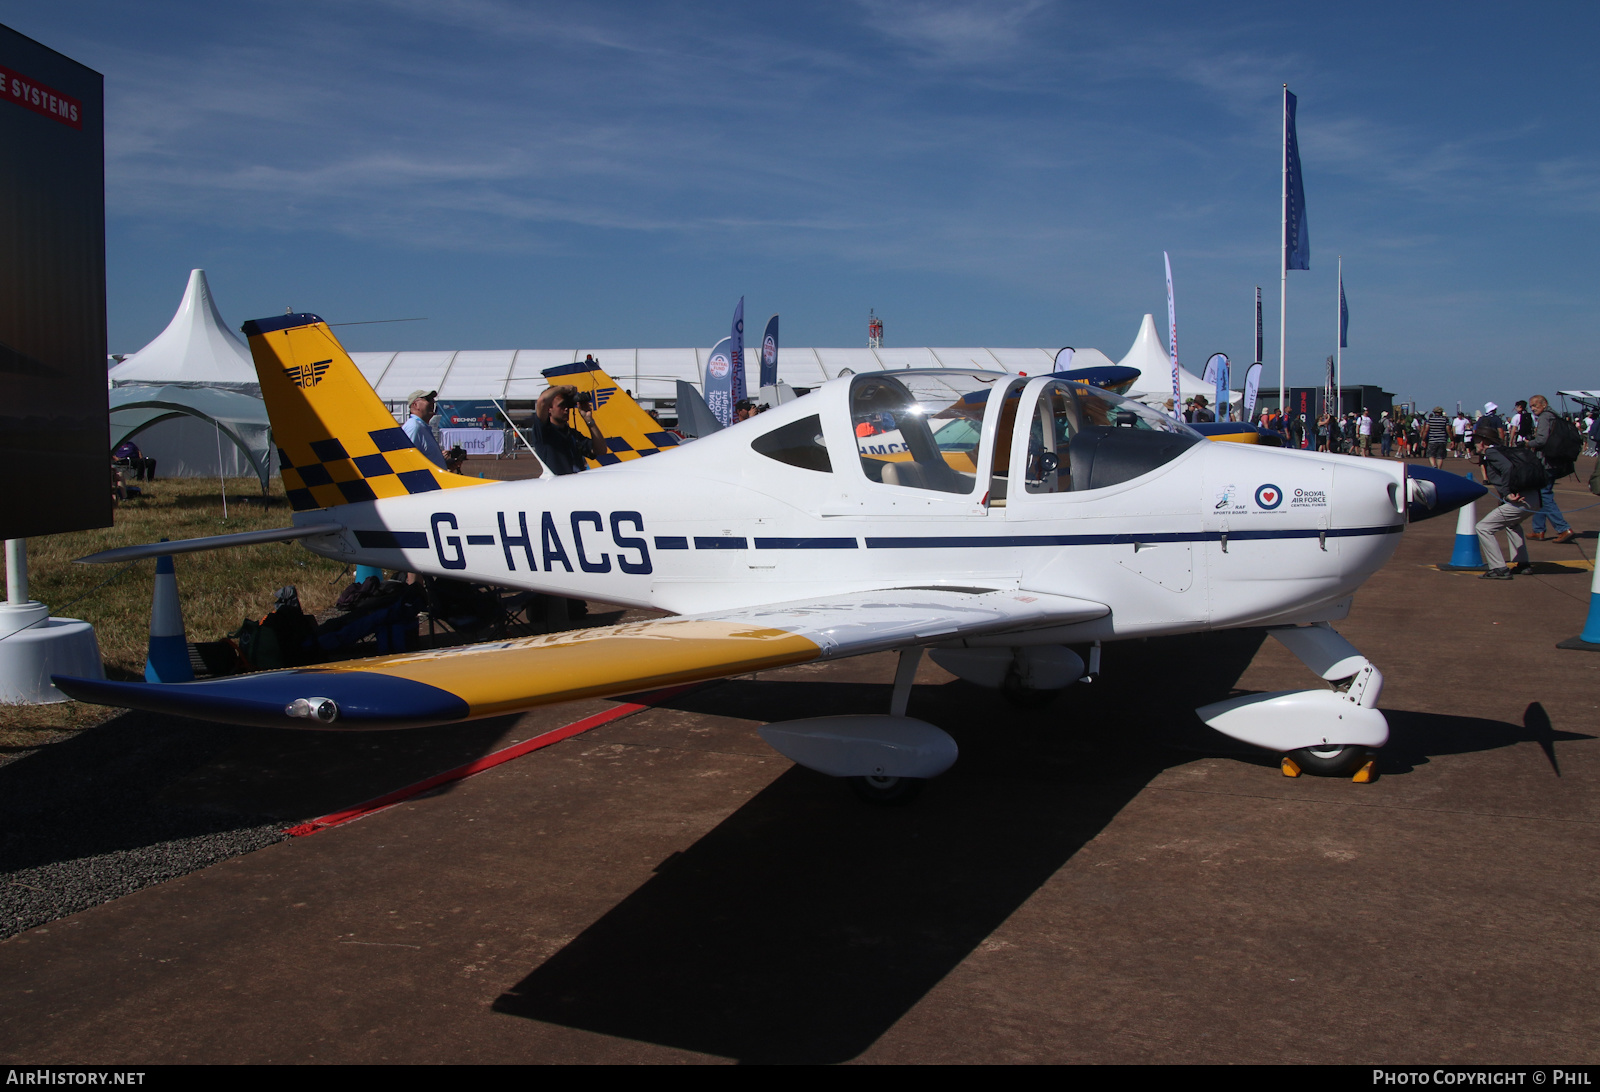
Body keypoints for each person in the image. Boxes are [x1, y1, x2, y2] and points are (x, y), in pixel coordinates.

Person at [1472, 429, 1540, 580]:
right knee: (1512, 524)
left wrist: (1508, 492)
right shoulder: (1503, 451)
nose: (1474, 444)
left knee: (1483, 527)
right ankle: (1522, 563)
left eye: (1476, 440)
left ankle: (1498, 568)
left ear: (1483, 442)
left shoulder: (1491, 453)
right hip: (1534, 498)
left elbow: (1507, 468)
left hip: (1521, 499)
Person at [1526, 394, 1577, 543]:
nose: (1533, 409)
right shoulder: (1555, 416)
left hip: (1546, 462)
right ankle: (1539, 529)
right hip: (1555, 461)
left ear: (1543, 404)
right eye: (1531, 406)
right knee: (1541, 495)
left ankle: (1563, 528)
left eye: (1535, 405)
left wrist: (1529, 444)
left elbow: (1541, 440)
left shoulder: (1544, 417)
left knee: (1544, 494)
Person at [531, 384, 606, 475]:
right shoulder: (544, 432)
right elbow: (542, 401)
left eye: (567, 405)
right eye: (561, 405)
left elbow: (601, 450)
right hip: (557, 486)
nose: (566, 409)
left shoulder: (571, 434)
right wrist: (563, 389)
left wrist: (589, 421)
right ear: (549, 409)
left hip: (574, 484)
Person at [402, 389, 446, 470]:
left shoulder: (422, 427)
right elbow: (406, 461)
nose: (432, 403)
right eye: (428, 400)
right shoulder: (413, 427)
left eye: (433, 400)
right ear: (415, 405)